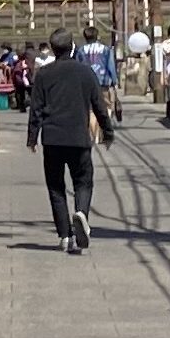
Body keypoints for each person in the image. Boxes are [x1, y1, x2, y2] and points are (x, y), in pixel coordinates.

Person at [26, 30, 114, 251]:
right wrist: (108, 132)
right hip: (78, 137)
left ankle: (65, 236)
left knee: (56, 187)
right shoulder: (85, 72)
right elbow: (99, 105)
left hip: (52, 138)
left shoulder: (44, 74)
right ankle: (81, 213)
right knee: (83, 181)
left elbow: (36, 108)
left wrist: (32, 137)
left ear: (52, 49)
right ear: (73, 46)